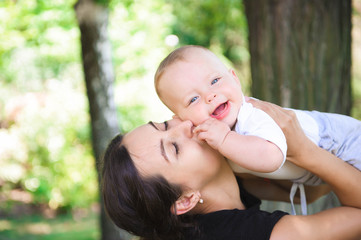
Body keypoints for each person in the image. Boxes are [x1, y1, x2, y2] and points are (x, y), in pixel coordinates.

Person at [101, 98, 361, 240]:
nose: (185, 126)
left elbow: (314, 190)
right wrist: (306, 152)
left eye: (165, 125)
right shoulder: (246, 235)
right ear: (185, 200)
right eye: (175, 149)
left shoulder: (227, 188)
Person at [154, 45, 361, 214]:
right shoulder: (216, 146)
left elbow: (271, 156)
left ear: (234, 79)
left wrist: (225, 139)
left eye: (215, 81)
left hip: (343, 142)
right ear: (181, 119)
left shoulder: (251, 116)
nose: (210, 96)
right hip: (326, 170)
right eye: (193, 99)